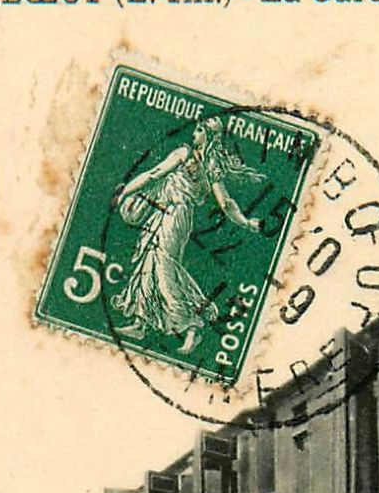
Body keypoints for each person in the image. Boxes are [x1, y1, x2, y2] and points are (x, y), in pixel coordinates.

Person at [109, 115, 266, 356]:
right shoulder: (212, 169)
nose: (194, 134)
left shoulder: (186, 155)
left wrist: (124, 192)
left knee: (163, 268)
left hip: (175, 215)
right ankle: (142, 323)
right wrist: (245, 221)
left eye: (199, 130)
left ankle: (192, 326)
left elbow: (154, 174)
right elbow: (227, 204)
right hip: (168, 212)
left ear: (209, 136)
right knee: (148, 263)